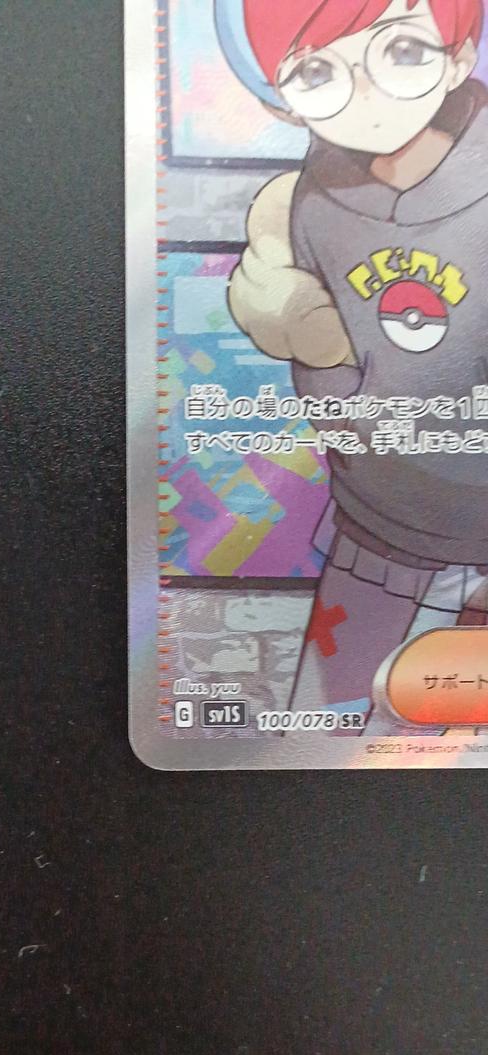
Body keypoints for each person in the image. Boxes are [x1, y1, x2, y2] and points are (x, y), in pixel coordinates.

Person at [228, 0, 488, 733]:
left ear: (459, 57)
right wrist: (306, 341)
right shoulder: (312, 199)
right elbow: (330, 372)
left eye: (401, 52)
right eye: (317, 71)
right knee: (319, 731)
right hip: (375, 529)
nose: (366, 93)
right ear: (282, 99)